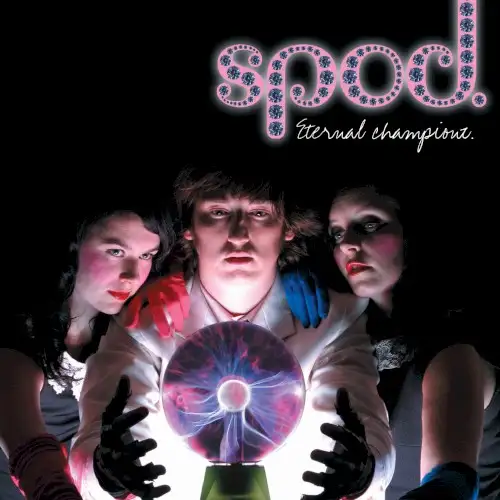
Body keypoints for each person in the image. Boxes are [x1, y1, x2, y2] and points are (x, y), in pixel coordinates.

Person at [69, 166, 396, 500]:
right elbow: (94, 440)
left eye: (259, 214)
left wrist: (364, 473)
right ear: (189, 228)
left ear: (288, 228)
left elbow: (366, 427)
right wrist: (105, 474)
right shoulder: (141, 323)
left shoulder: (334, 321)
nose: (239, 235)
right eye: (218, 212)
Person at [322, 185, 499, 499]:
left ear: (410, 236)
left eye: (369, 225)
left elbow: (451, 481)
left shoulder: (453, 349)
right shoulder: (343, 341)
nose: (347, 243)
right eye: (336, 234)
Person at [1, 200, 185, 500]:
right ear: (73, 243)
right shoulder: (18, 342)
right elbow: (34, 460)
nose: (131, 275)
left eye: (146, 255)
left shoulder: (128, 331)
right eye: (115, 251)